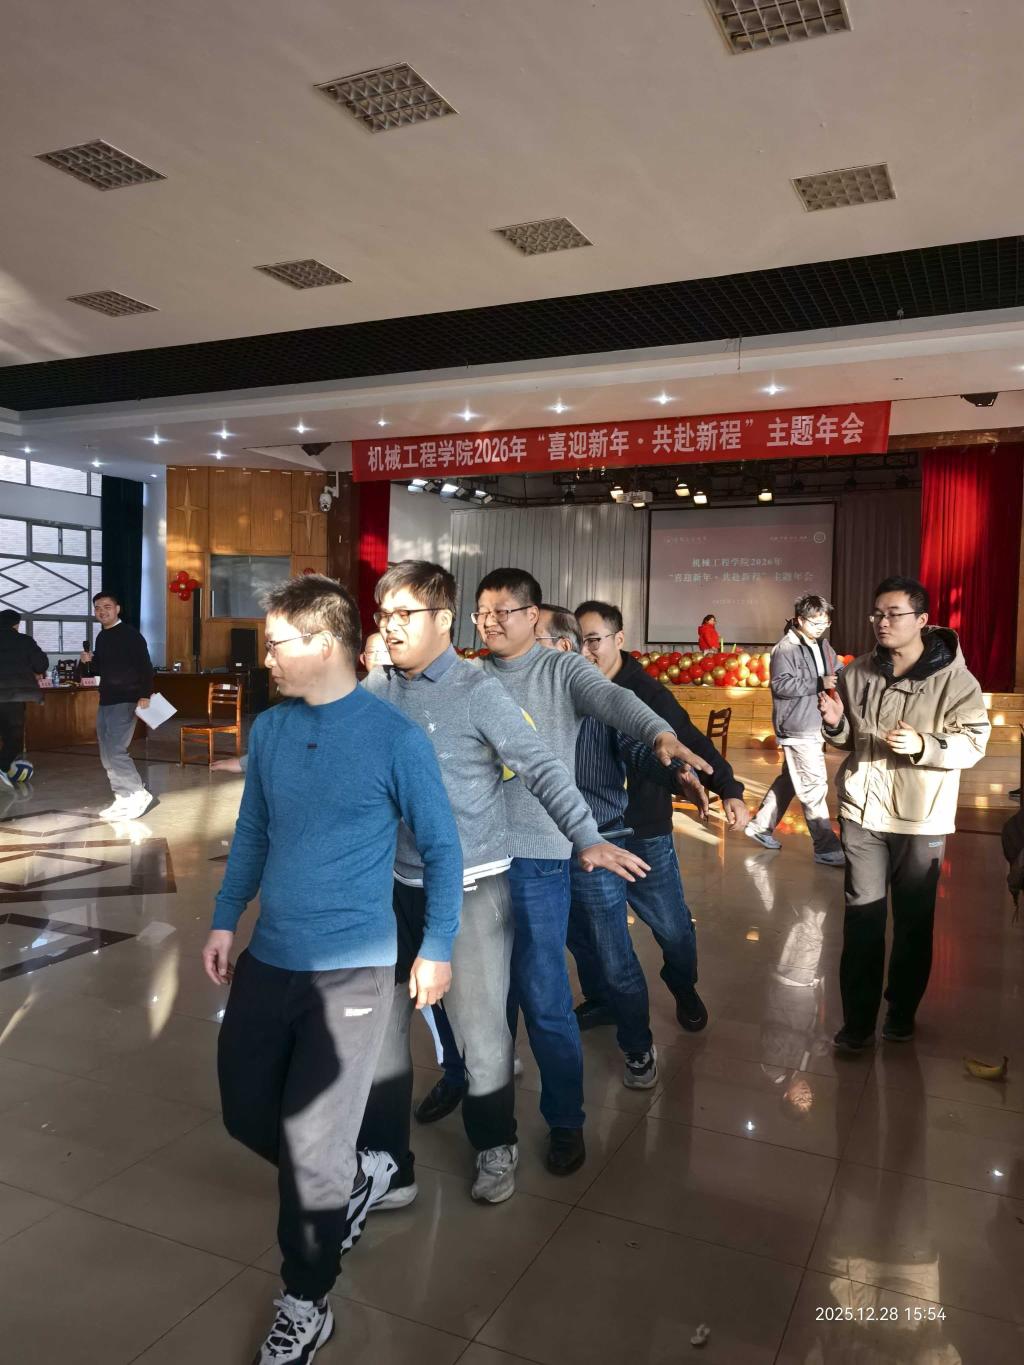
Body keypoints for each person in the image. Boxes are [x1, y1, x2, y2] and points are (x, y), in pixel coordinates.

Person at [203, 574, 463, 1365]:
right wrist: (225, 916)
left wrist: (438, 943)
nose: (267, 657)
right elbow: (254, 829)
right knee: (246, 1110)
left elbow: (443, 846)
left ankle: (306, 1300)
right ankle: (352, 1176)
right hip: (271, 955)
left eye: (277, 643)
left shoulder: (394, 738)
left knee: (311, 1148)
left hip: (353, 968)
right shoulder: (273, 730)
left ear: (324, 645)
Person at [354, 563, 646, 1211]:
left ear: (441, 621)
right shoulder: (375, 689)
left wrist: (585, 835)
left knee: (486, 1029)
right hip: (393, 888)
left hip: (471, 886)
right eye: (383, 615)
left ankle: (495, 1143)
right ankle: (389, 1164)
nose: (390, 627)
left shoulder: (478, 689)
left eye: (404, 615)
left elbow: (541, 766)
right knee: (383, 1031)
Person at [473, 568, 713, 1175]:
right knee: (486, 1001)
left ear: (533, 616)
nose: (491, 622)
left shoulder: (562, 671)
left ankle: (565, 1120)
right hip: (480, 859)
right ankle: (488, 1122)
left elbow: (617, 703)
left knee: (547, 996)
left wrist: (661, 736)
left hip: (548, 855)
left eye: (504, 611)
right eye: (482, 612)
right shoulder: (470, 679)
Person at [571, 600, 749, 1063]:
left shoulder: (643, 691)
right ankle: (606, 1000)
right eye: (578, 641)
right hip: (593, 834)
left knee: (673, 929)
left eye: (594, 640)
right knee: (594, 934)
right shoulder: (569, 686)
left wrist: (728, 787)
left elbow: (687, 741)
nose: (585, 651)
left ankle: (682, 984)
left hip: (643, 832)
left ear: (618, 640)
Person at [819, 576, 991, 1052]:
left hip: (920, 819)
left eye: (894, 613)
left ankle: (900, 1011)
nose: (882, 622)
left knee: (913, 923)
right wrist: (835, 725)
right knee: (862, 919)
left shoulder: (955, 680)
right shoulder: (857, 672)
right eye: (877, 613)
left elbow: (974, 742)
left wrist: (923, 744)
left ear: (922, 620)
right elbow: (850, 740)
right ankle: (857, 1023)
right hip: (862, 812)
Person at [744, 594, 846, 867]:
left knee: (791, 779)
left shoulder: (822, 644)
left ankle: (760, 826)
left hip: (815, 722)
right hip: (798, 726)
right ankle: (826, 848)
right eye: (815, 623)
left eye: (825, 623)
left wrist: (843, 674)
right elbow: (781, 685)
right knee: (813, 786)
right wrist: (819, 682)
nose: (821, 628)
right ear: (800, 620)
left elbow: (837, 668)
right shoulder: (785, 649)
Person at [77, 593, 154, 819]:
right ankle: (122, 797)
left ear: (118, 609)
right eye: (98, 608)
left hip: (127, 699)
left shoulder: (130, 635)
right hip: (107, 699)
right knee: (106, 753)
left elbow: (145, 666)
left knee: (115, 750)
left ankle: (137, 794)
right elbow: (99, 669)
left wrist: (145, 694)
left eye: (107, 606)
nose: (102, 611)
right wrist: (87, 662)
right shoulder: (102, 636)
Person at [0, 610, 47, 791]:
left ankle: (4, 769)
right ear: (16, 624)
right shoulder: (24, 641)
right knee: (14, 739)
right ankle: (3, 767)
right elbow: (41, 664)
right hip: (14, 696)